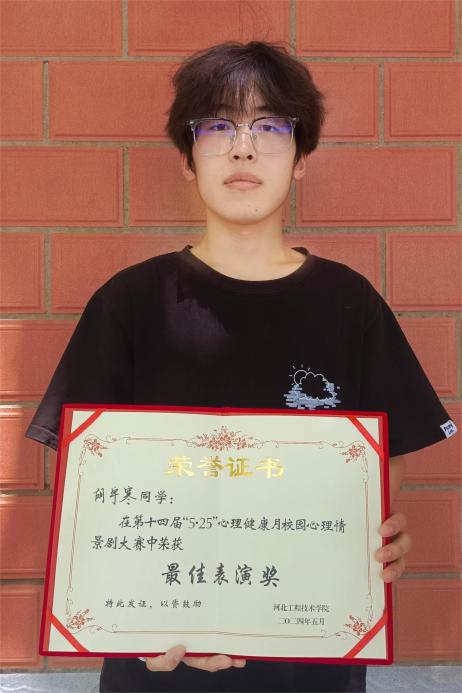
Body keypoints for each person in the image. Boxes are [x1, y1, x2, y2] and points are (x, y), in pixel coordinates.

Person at [25, 41, 457, 693]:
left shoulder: (350, 303)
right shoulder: (129, 302)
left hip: (310, 667)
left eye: (270, 127)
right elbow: (89, 496)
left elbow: (380, 475)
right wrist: (127, 614)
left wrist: (381, 540)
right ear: (187, 158)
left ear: (301, 158)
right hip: (159, 666)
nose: (244, 149)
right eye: (218, 127)